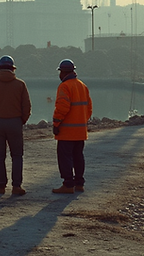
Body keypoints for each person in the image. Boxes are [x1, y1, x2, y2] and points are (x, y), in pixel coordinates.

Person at [0, 55, 32, 196]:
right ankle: (16, 187)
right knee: (17, 156)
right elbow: (26, 107)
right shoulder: (20, 85)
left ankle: (1, 187)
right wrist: (21, 121)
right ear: (13, 69)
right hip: (14, 122)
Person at [51, 59, 92, 194]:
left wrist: (56, 123)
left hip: (67, 131)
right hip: (80, 131)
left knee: (65, 157)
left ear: (63, 72)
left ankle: (68, 184)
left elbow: (62, 107)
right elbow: (89, 109)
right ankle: (79, 183)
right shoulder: (82, 85)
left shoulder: (65, 86)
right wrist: (81, 121)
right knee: (78, 156)